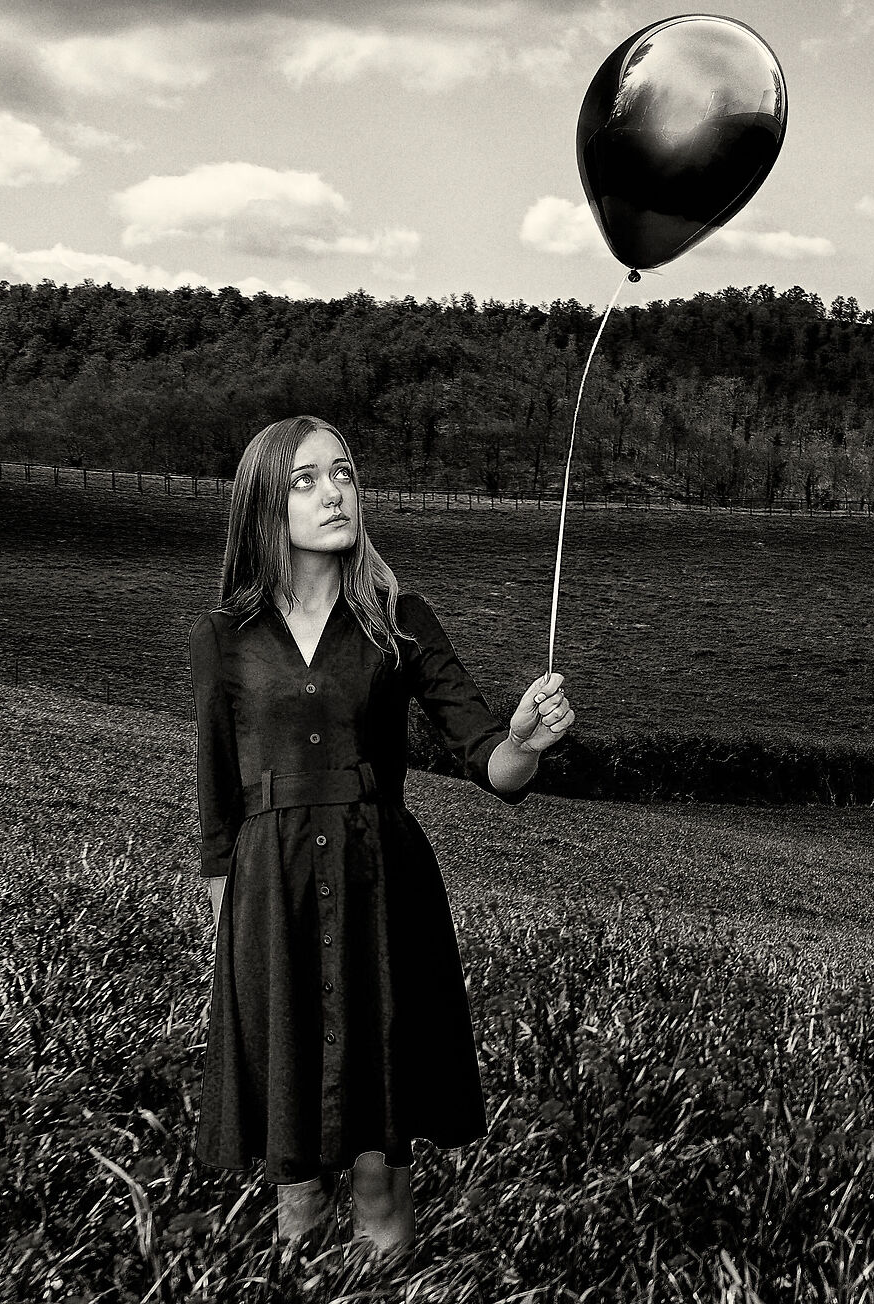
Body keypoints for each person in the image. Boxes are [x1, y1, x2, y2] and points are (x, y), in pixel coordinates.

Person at [189, 415, 576, 1253]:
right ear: (264, 504)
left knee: (379, 1174)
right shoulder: (225, 637)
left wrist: (524, 742)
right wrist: (235, 953)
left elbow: (492, 764)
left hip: (383, 894)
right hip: (272, 904)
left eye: (345, 473)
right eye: (306, 480)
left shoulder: (401, 618)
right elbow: (218, 813)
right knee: (295, 1189)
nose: (335, 491)